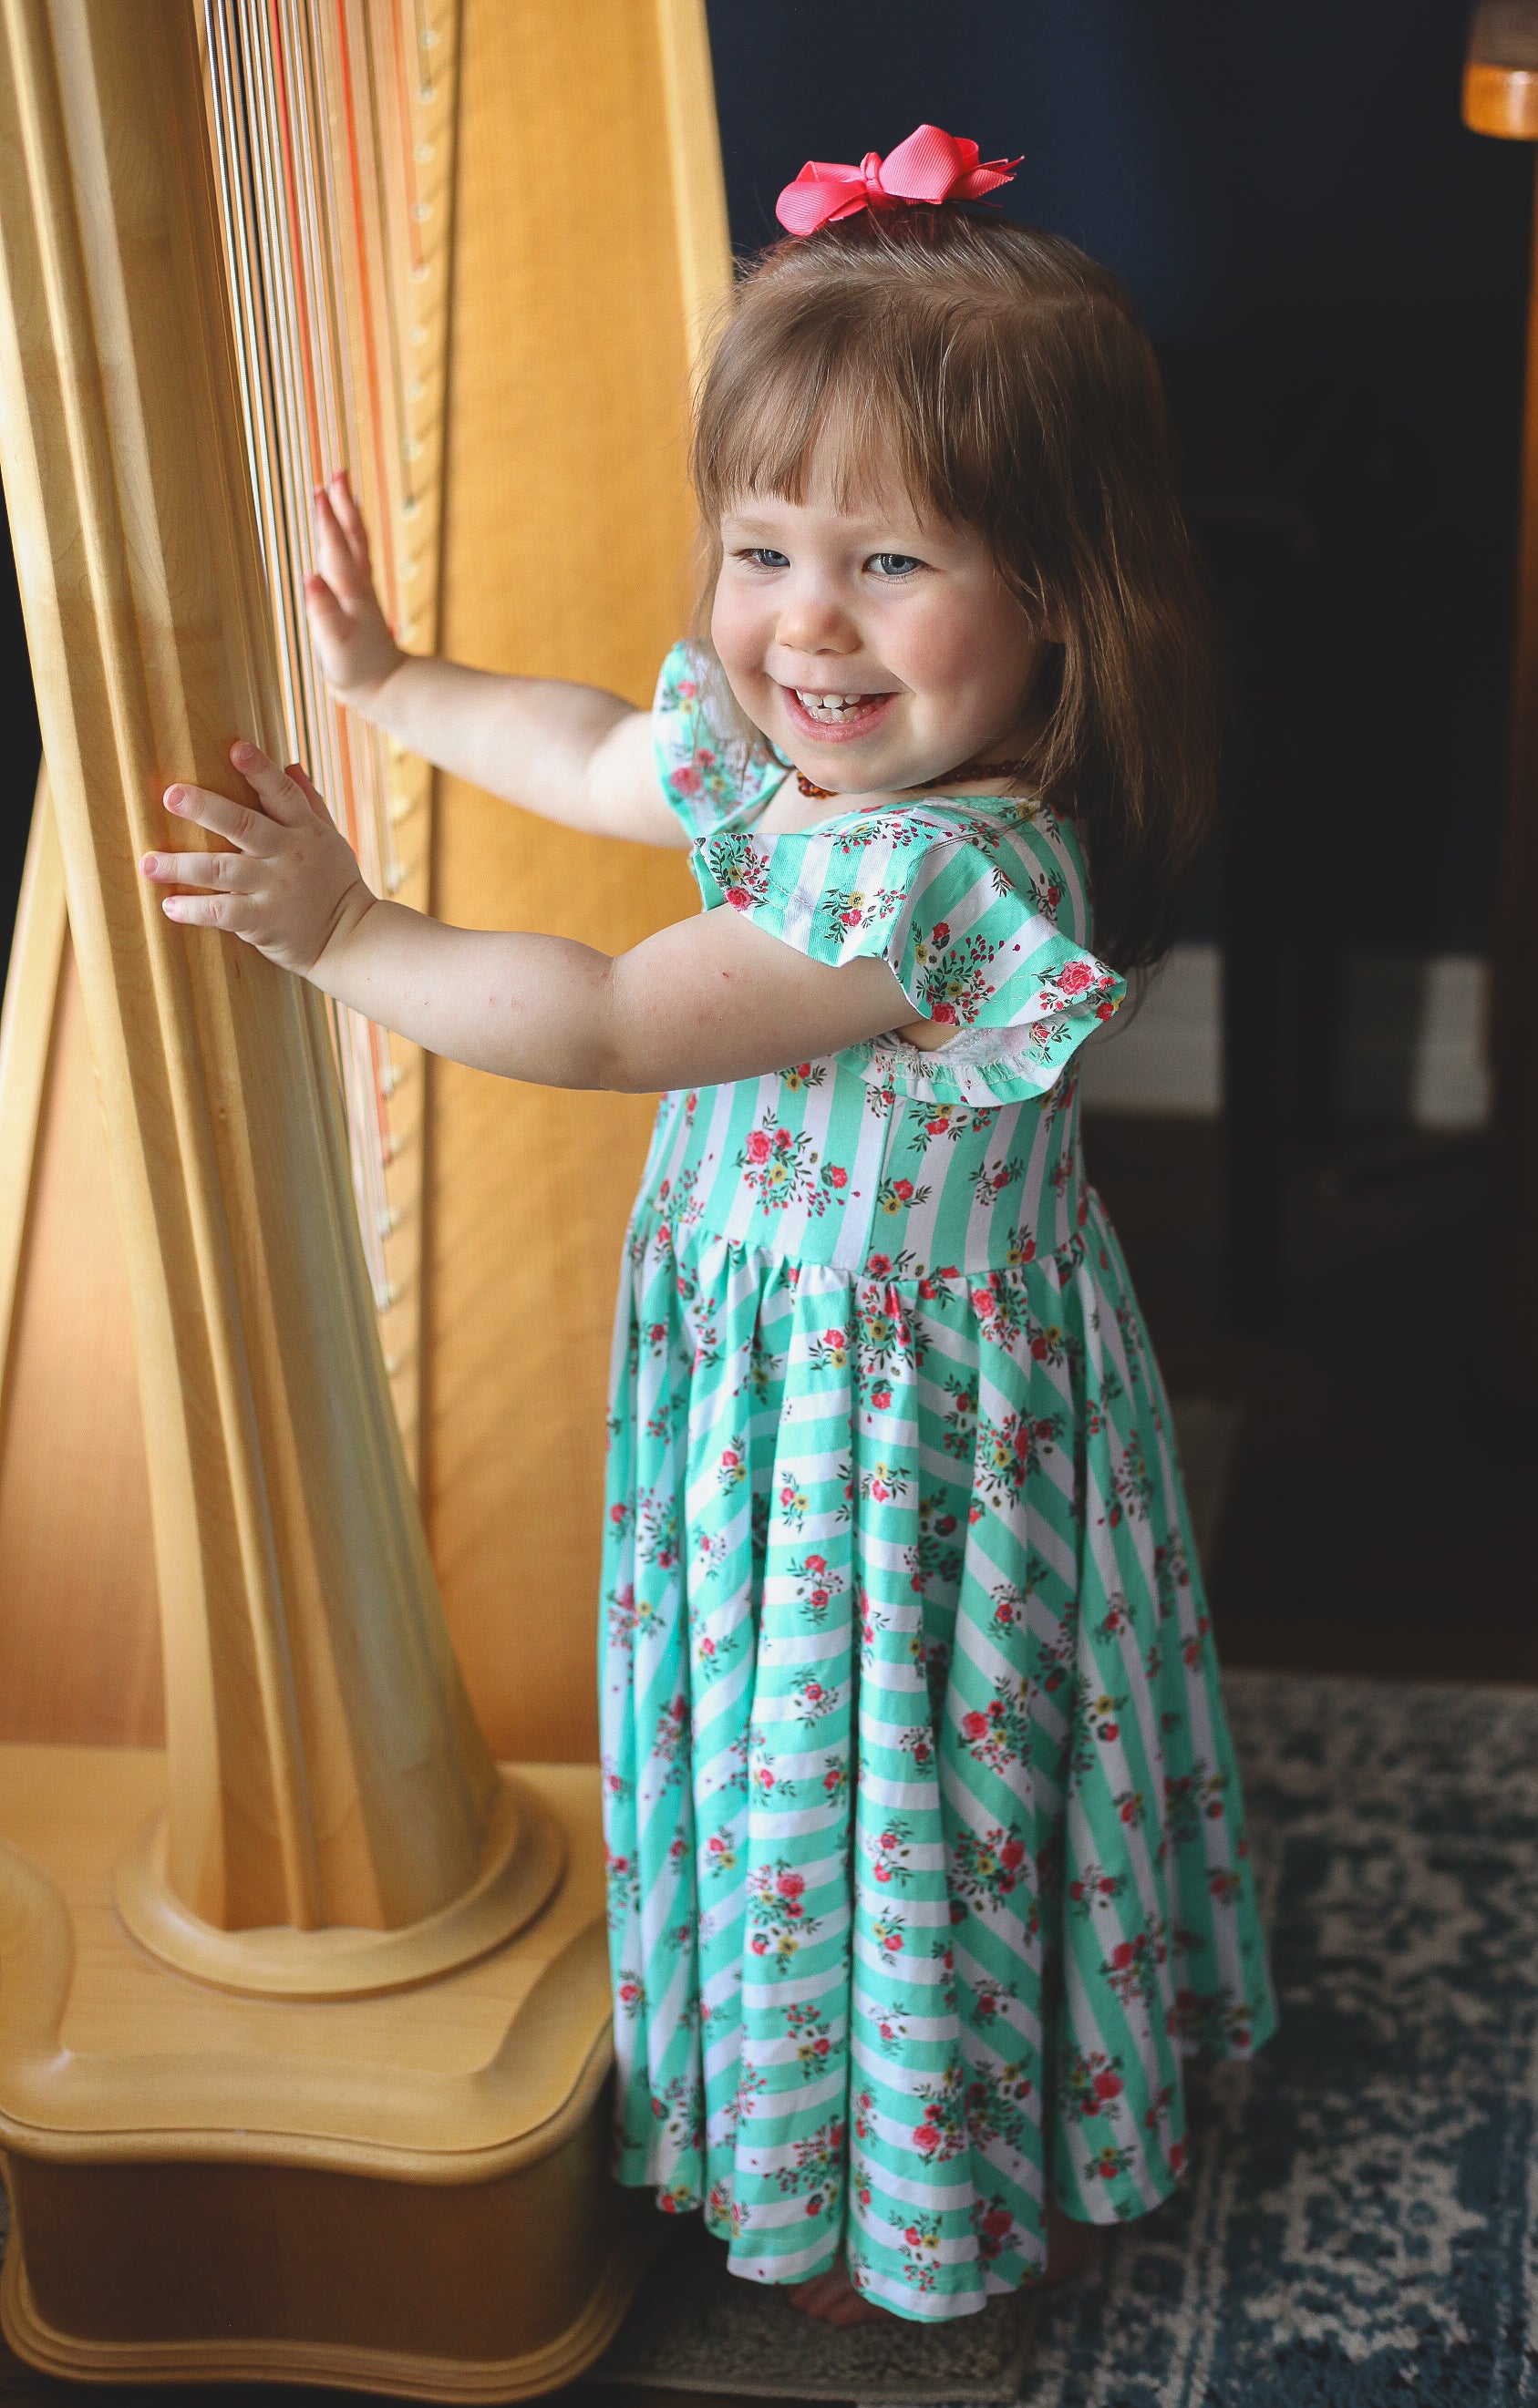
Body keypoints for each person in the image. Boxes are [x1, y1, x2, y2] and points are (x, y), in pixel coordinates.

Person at [142, 125, 1275, 2329]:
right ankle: (837, 2108)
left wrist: (338, 925)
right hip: (787, 1404)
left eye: (885, 565)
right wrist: (392, 686)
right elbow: (594, 753)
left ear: (1059, 593)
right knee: (803, 1804)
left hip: (895, 1465)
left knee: (885, 1816)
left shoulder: (935, 878)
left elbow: (597, 1018)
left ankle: (908, 2188)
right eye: (760, 549)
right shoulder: (799, 769)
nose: (798, 627)